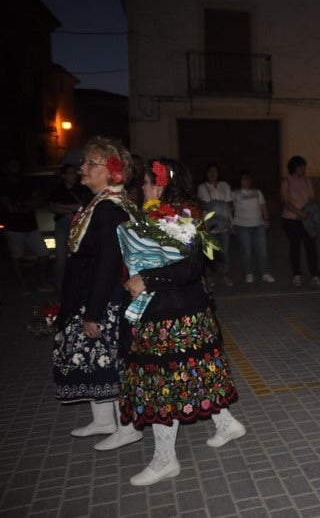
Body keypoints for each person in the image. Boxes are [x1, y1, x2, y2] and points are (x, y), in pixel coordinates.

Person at [120, 158, 245, 486]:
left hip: (175, 315)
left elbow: (190, 267)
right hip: (176, 310)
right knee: (191, 373)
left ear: (162, 184)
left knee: (163, 384)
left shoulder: (183, 215)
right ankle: (225, 423)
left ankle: (165, 460)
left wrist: (148, 277)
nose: (142, 187)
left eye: (147, 182)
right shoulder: (153, 215)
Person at [52, 136, 141, 450]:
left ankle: (128, 427)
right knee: (93, 358)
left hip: (104, 297)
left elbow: (108, 263)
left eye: (92, 163)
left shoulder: (108, 208)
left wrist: (93, 311)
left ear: (111, 171)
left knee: (108, 360)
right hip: (91, 292)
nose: (83, 168)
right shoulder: (99, 202)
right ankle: (103, 420)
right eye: (84, 162)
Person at [0, 159, 52, 293]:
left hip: (31, 226)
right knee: (16, 256)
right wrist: (27, 205)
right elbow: (10, 207)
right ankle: (22, 283)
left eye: (18, 165)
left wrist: (22, 205)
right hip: (12, 227)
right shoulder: (4, 185)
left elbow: (38, 200)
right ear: (6, 168)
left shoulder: (27, 182)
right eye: (13, 165)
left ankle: (41, 279)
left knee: (44, 253)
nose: (16, 168)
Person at [48, 162, 92, 294]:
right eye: (71, 173)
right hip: (62, 224)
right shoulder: (57, 190)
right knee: (61, 257)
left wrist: (63, 207)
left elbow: (84, 207)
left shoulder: (82, 189)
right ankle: (60, 287)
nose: (74, 176)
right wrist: (71, 208)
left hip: (78, 224)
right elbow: (53, 208)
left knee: (80, 255)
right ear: (63, 176)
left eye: (75, 173)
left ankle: (80, 286)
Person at [280, 155, 320, 287]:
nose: (304, 169)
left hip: (307, 219)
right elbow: (285, 201)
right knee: (295, 247)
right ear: (295, 167)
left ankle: (315, 274)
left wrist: (306, 212)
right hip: (291, 220)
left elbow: (312, 198)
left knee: (311, 247)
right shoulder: (286, 181)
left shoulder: (307, 180)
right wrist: (298, 213)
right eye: (302, 167)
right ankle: (296, 274)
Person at [232, 171, 274, 283]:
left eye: (248, 179)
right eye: (244, 179)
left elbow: (263, 206)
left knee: (262, 250)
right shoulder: (235, 193)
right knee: (246, 251)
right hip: (242, 225)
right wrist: (231, 224)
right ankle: (249, 273)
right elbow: (230, 209)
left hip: (258, 225)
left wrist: (266, 219)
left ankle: (265, 273)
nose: (246, 181)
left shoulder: (257, 192)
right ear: (240, 181)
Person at [197, 163, 233, 288]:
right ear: (206, 174)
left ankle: (225, 274)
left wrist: (231, 221)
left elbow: (230, 204)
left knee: (225, 251)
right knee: (209, 251)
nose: (212, 174)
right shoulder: (202, 187)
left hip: (224, 224)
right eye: (210, 172)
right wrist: (214, 205)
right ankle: (209, 276)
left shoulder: (225, 185)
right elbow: (201, 204)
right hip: (210, 225)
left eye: (215, 171)